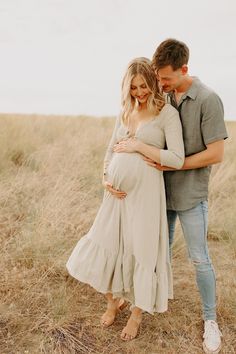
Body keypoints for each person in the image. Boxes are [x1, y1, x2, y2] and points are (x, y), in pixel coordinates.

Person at [66, 57, 184, 341]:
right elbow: (109, 152)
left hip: (145, 195)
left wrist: (139, 146)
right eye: (133, 88)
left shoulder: (166, 114)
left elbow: (177, 158)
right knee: (102, 244)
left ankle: (136, 314)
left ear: (153, 83)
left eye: (143, 86)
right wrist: (105, 178)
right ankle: (112, 301)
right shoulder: (125, 112)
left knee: (141, 252)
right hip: (115, 198)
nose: (140, 93)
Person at [148, 39, 228, 354]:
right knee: (159, 253)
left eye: (166, 78)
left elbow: (217, 154)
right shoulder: (162, 96)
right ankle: (155, 299)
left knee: (199, 258)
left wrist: (175, 162)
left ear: (184, 69)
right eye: (158, 78)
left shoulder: (209, 100)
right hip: (159, 192)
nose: (161, 84)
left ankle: (211, 321)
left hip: (192, 194)